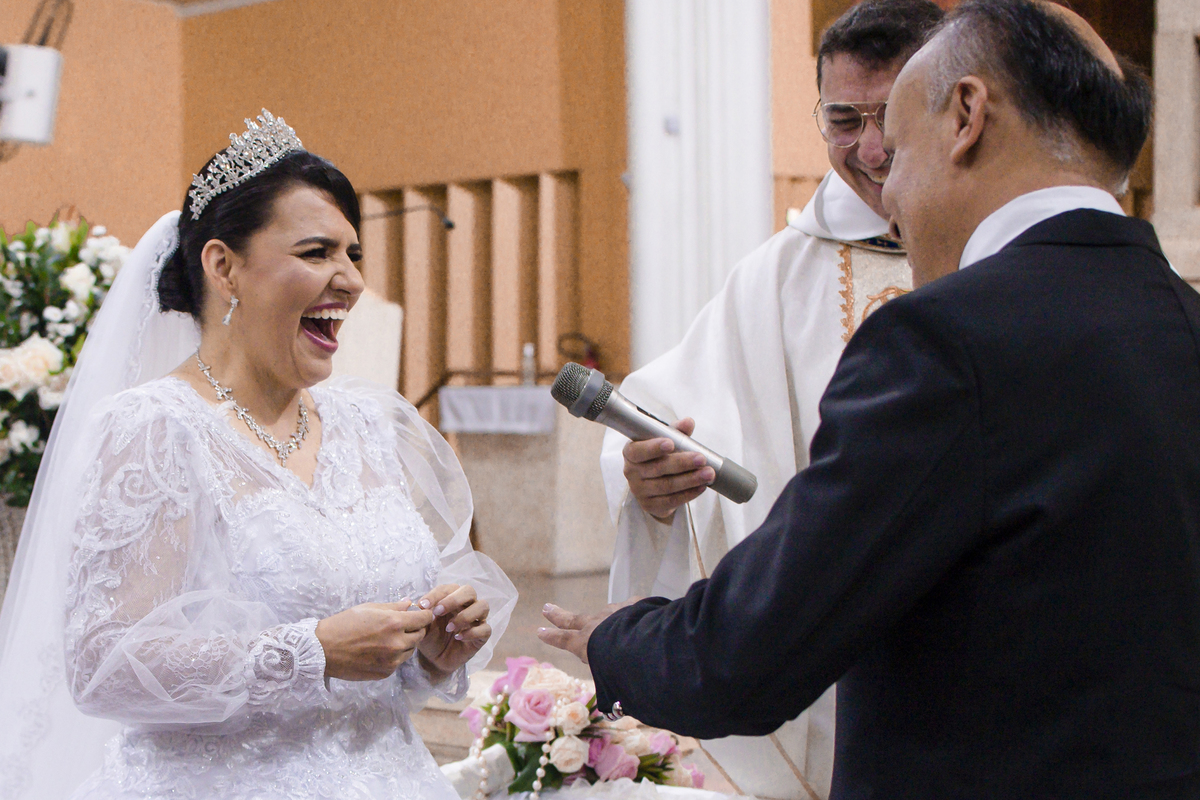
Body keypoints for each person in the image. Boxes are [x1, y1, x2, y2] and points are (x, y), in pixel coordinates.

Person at [542, 1, 1198, 796]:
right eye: (847, 122)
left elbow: (748, 659)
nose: (888, 191)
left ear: (966, 116)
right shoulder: (1182, 318)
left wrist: (619, 640)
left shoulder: (944, 338)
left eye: (902, 144)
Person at [0, 111, 516, 800]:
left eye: (353, 255)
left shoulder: (366, 422)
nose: (351, 280)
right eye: (317, 253)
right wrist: (310, 652)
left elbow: (371, 674)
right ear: (224, 267)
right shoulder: (157, 428)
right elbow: (102, 668)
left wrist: (430, 655)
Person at [599, 2, 941, 796]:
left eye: (890, 117)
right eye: (843, 120)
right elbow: (668, 410)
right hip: (833, 643)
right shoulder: (777, 275)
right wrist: (648, 477)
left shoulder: (1005, 254)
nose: (871, 149)